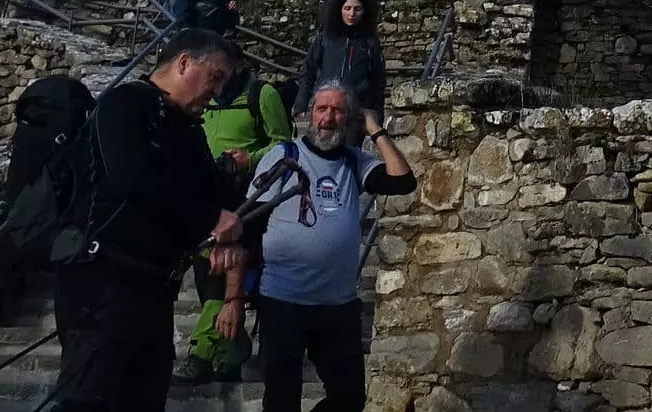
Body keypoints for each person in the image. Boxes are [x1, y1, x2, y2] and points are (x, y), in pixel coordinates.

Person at [55, 29, 246, 412]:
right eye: (216, 77)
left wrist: (228, 231)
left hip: (153, 290)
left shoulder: (188, 130)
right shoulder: (125, 103)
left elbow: (211, 195)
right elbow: (131, 178)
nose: (218, 91)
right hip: (103, 281)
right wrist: (210, 217)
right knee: (89, 399)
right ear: (184, 62)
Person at [250, 82, 416, 412]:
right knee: (281, 399)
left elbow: (402, 181)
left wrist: (374, 128)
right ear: (310, 114)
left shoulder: (355, 162)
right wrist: (236, 294)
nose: (328, 118)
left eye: (338, 110)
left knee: (350, 399)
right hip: (283, 301)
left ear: (349, 118)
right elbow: (251, 222)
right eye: (322, 109)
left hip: (336, 306)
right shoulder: (284, 156)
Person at [173, 63, 295, 384]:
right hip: (208, 198)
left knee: (226, 273)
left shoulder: (261, 95)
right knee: (207, 274)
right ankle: (229, 352)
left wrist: (249, 159)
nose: (218, 76)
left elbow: (284, 145)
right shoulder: (205, 98)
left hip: (249, 201)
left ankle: (201, 353)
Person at [295, 0, 387, 116]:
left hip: (356, 110)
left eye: (357, 9)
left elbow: (377, 81)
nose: (352, 14)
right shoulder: (325, 38)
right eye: (347, 8)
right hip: (325, 106)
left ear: (364, 12)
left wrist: (378, 114)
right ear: (340, 10)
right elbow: (308, 71)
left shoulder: (370, 42)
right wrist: (301, 104)